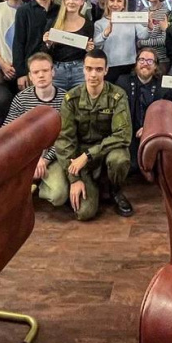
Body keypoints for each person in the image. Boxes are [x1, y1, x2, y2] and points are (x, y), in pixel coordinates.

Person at [55, 50, 133, 220]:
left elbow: (123, 135)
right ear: (83, 69)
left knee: (119, 159)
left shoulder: (117, 96)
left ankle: (115, 190)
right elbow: (64, 140)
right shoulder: (71, 99)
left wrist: (88, 155)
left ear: (106, 70)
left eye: (98, 69)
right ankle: (91, 186)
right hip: (81, 159)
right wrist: (74, 179)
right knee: (85, 213)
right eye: (89, 69)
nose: (93, 74)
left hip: (107, 152)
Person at [2, 53, 66, 207]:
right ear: (30, 76)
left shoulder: (65, 99)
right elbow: (8, 132)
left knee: (58, 196)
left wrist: (45, 159)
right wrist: (33, 157)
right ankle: (28, 183)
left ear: (53, 72)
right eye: (36, 72)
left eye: (45, 70)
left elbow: (65, 137)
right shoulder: (21, 99)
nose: (41, 75)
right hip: (27, 153)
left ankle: (38, 185)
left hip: (54, 155)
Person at [117, 47, 171, 169]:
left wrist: (149, 128)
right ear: (136, 63)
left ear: (156, 66)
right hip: (128, 133)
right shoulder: (123, 82)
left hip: (154, 133)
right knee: (130, 166)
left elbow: (166, 116)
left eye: (150, 61)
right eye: (141, 60)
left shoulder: (163, 86)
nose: (145, 64)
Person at [13, 0, 58, 90]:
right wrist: (21, 73)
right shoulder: (23, 11)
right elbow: (18, 43)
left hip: (57, 68)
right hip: (31, 69)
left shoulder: (60, 11)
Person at [44, 0, 95, 91]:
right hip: (57, 72)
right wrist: (48, 44)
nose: (71, 2)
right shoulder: (53, 22)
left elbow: (89, 53)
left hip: (80, 71)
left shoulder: (88, 24)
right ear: (64, 1)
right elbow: (44, 51)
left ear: (82, 2)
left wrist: (89, 50)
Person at [95, 0, 150, 84]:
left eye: (119, 1)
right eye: (112, 0)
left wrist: (149, 27)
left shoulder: (131, 19)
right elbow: (96, 44)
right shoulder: (99, 23)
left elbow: (143, 35)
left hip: (130, 66)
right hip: (109, 67)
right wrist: (105, 34)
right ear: (107, 3)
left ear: (124, 4)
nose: (115, 4)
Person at [138, 0, 169, 72]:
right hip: (144, 59)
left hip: (160, 60)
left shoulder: (166, 12)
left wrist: (141, 43)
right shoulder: (143, 12)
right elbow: (139, 35)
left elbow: (164, 40)